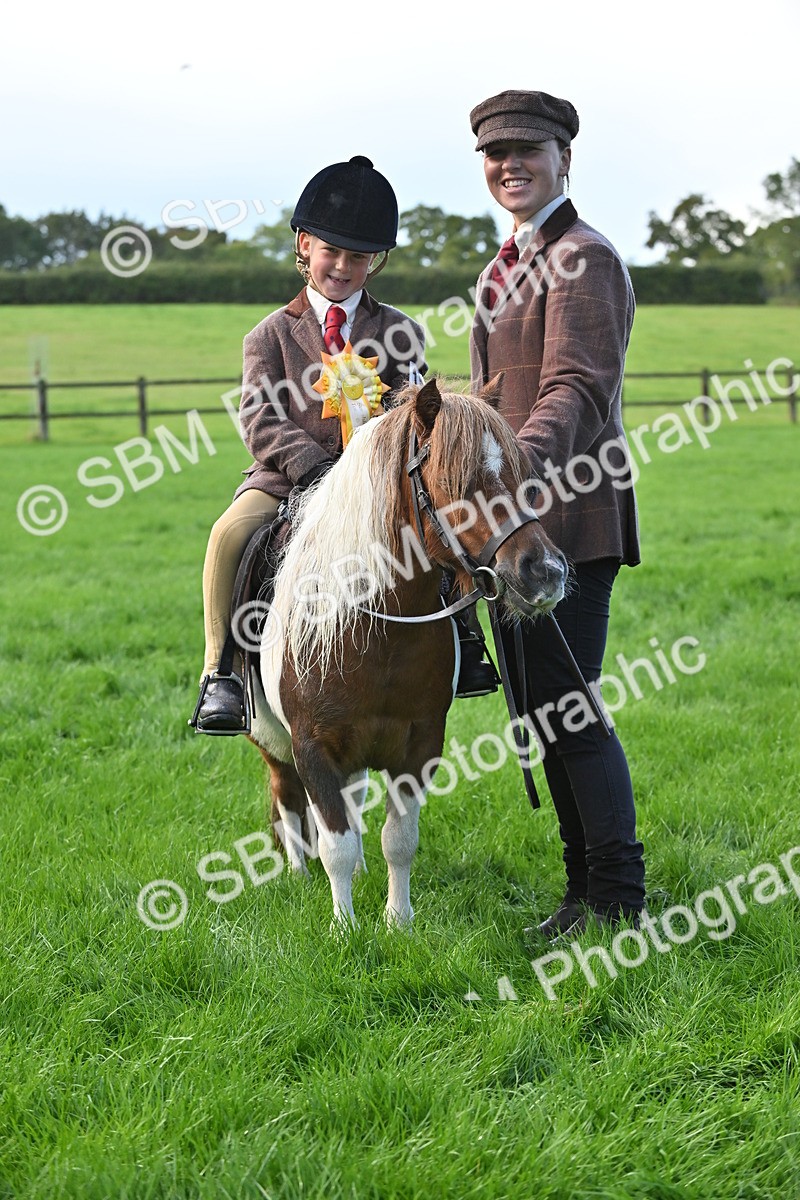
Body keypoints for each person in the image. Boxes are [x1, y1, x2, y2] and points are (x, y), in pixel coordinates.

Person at [468, 90, 646, 936]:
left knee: (570, 713)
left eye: (526, 151)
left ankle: (618, 898)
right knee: (542, 714)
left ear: (564, 159)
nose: (509, 165)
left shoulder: (586, 258)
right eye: (494, 154)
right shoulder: (499, 269)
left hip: (572, 517)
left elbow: (576, 387)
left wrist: (512, 468)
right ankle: (581, 894)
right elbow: (491, 393)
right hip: (514, 529)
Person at [192, 155, 428, 733]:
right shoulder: (269, 334)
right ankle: (219, 673)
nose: (343, 267)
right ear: (305, 246)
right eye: (332, 252)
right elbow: (259, 416)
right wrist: (315, 469)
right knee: (228, 535)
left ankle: (465, 646)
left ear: (375, 262)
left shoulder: (400, 330)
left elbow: (416, 408)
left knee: (443, 525)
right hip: (287, 480)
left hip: (379, 483)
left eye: (358, 257)